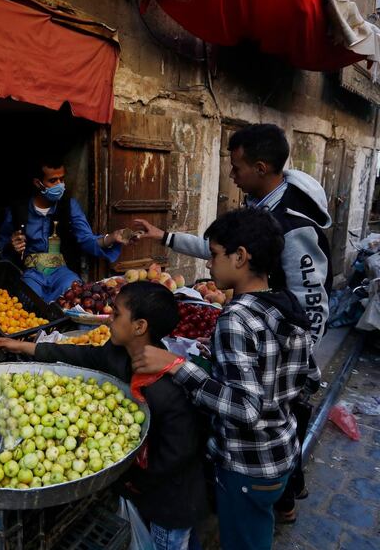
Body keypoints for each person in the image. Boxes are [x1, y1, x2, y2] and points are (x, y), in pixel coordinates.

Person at [134, 124, 327, 521]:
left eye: (237, 167)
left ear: (260, 166)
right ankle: (275, 496)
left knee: (273, 419)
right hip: (264, 362)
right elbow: (218, 246)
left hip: (266, 386)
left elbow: (310, 303)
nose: (233, 175)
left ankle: (284, 499)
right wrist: (166, 236)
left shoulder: (293, 222)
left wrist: (282, 357)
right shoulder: (260, 211)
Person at [132, 208, 315, 550]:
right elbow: (304, 375)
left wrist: (175, 364)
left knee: (243, 540)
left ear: (241, 257)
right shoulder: (284, 304)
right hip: (281, 453)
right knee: (257, 528)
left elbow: (246, 410)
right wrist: (220, 354)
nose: (208, 264)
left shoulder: (237, 318)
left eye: (215, 255)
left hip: (246, 466)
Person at [0, 282, 207, 550]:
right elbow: (83, 354)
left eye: (115, 314)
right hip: (145, 489)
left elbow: (178, 454)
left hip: (171, 502)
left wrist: (122, 471)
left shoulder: (165, 388)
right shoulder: (118, 353)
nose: (107, 319)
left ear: (139, 327)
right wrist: (26, 348)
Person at [0, 156, 130, 302]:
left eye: (62, 179)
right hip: (30, 273)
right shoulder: (17, 210)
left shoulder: (70, 206)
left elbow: (86, 239)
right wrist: (11, 245)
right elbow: (0, 247)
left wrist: (112, 237)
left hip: (61, 272)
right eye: (53, 181)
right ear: (38, 183)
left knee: (75, 294)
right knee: (27, 299)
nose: (59, 185)